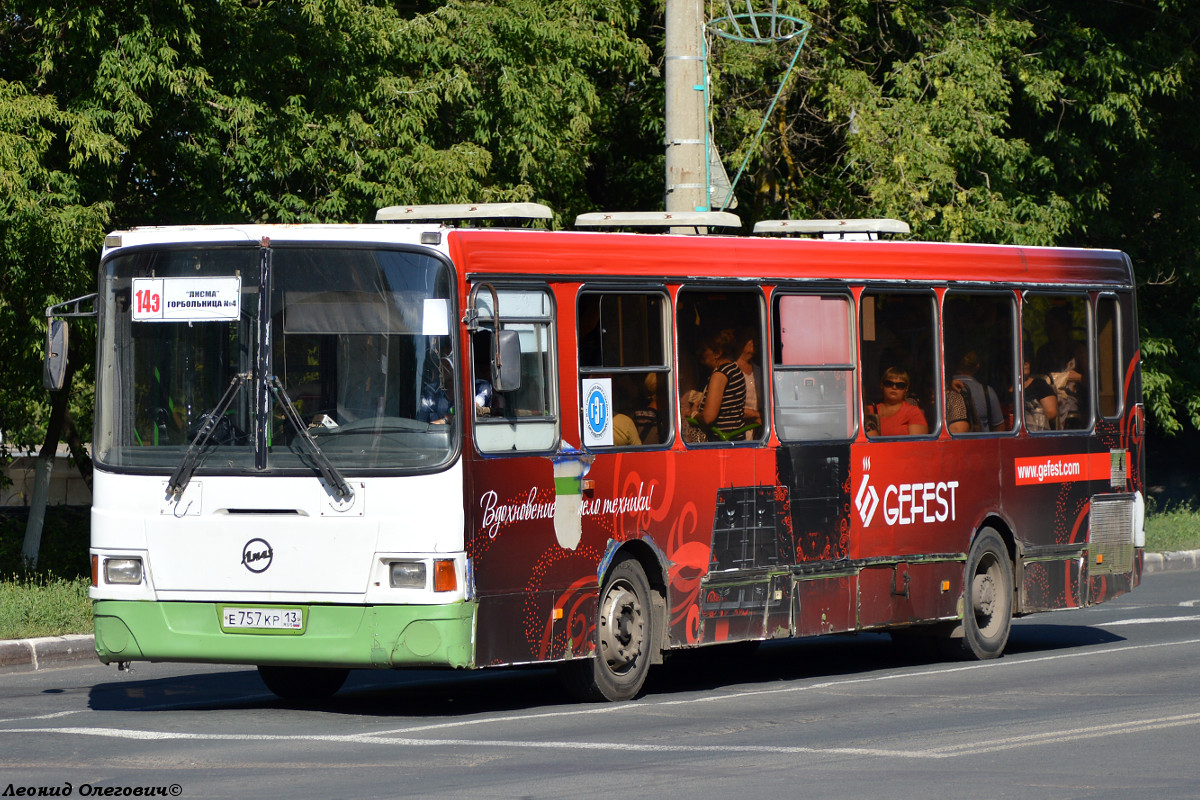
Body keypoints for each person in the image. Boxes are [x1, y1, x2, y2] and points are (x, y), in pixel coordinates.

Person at [685, 331, 747, 440]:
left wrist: (694, 414)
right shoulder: (734, 368)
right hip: (736, 440)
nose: (699, 353)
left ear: (717, 353)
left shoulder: (720, 374)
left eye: (703, 350)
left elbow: (708, 417)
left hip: (721, 442)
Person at [865, 367, 929, 436]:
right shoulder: (868, 410)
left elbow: (917, 444)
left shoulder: (913, 412)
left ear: (906, 389)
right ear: (881, 385)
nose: (894, 387)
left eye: (900, 385)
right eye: (889, 383)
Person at [953, 351, 1003, 431]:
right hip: (982, 442)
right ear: (977, 367)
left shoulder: (942, 390)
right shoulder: (987, 391)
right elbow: (999, 426)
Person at [734, 328, 762, 439]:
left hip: (759, 431)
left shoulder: (759, 370)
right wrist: (756, 415)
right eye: (748, 338)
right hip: (737, 431)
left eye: (754, 338)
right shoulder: (729, 369)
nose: (753, 342)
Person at [1023, 341, 1058, 431]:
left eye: (1027, 360)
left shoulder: (1039, 385)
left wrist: (1027, 422)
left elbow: (1052, 412)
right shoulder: (1004, 390)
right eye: (1022, 359)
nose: (1025, 363)